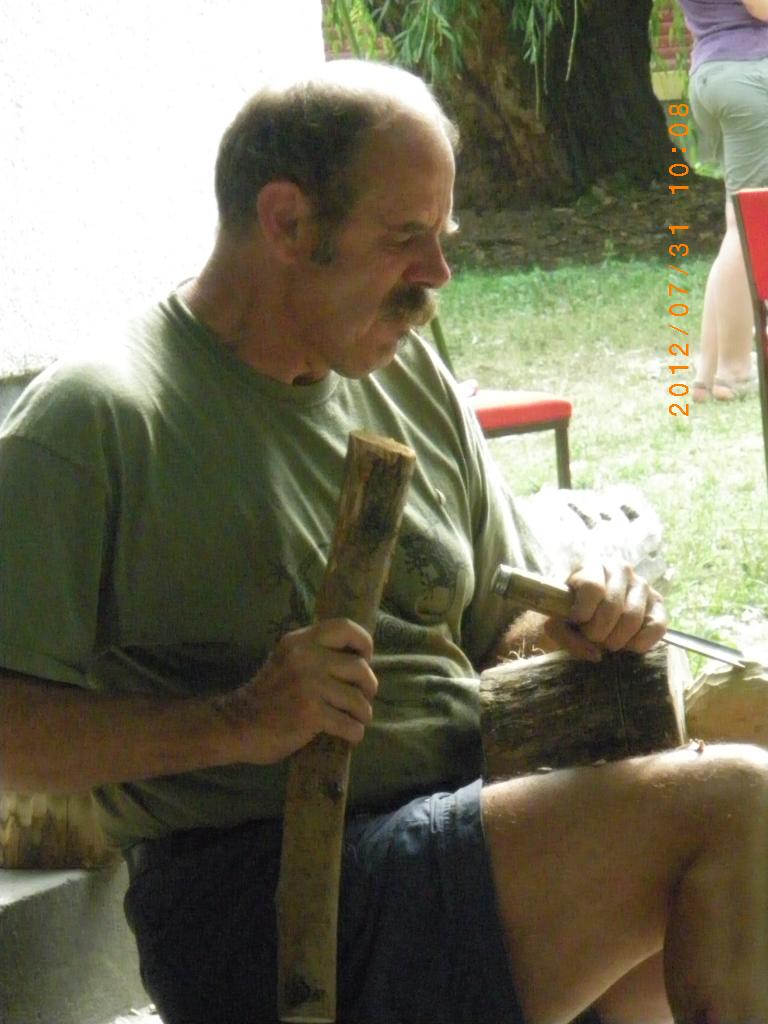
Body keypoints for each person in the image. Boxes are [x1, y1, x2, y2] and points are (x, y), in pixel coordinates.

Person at [1, 60, 768, 1024]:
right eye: (406, 239)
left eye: (443, 240)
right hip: (264, 896)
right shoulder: (101, 420)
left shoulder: (403, 377)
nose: (437, 275)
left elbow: (500, 628)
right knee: (734, 806)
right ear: (287, 222)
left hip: (463, 822)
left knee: (720, 817)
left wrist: (573, 624)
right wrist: (236, 720)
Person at [680, 0, 768, 402]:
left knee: (738, 227)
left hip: (713, 72)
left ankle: (708, 372)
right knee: (751, 228)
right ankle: (734, 369)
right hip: (747, 76)